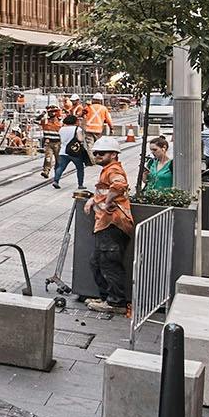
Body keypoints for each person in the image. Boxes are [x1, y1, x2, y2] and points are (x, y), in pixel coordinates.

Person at [83, 138, 132, 314]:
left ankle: (116, 302)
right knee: (96, 262)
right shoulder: (106, 170)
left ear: (113, 154)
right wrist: (93, 199)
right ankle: (106, 297)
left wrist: (110, 199)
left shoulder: (114, 169)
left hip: (113, 223)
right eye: (95, 153)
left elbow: (119, 184)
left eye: (101, 153)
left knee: (109, 263)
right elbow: (104, 191)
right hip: (105, 223)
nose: (97, 156)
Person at [49, 112, 90, 190]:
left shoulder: (61, 129)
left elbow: (61, 140)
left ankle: (56, 181)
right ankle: (80, 184)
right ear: (75, 121)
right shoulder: (77, 129)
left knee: (60, 167)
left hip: (63, 151)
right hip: (75, 152)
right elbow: (80, 139)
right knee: (80, 168)